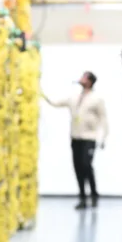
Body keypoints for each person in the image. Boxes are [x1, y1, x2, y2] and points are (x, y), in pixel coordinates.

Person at [43, 71, 109, 209]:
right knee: (78, 167)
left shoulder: (96, 99)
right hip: (76, 137)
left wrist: (103, 137)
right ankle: (83, 197)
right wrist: (42, 94)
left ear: (90, 81)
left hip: (89, 137)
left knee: (86, 165)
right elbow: (56, 102)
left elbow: (103, 118)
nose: (81, 79)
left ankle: (94, 193)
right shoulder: (74, 97)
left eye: (84, 77)